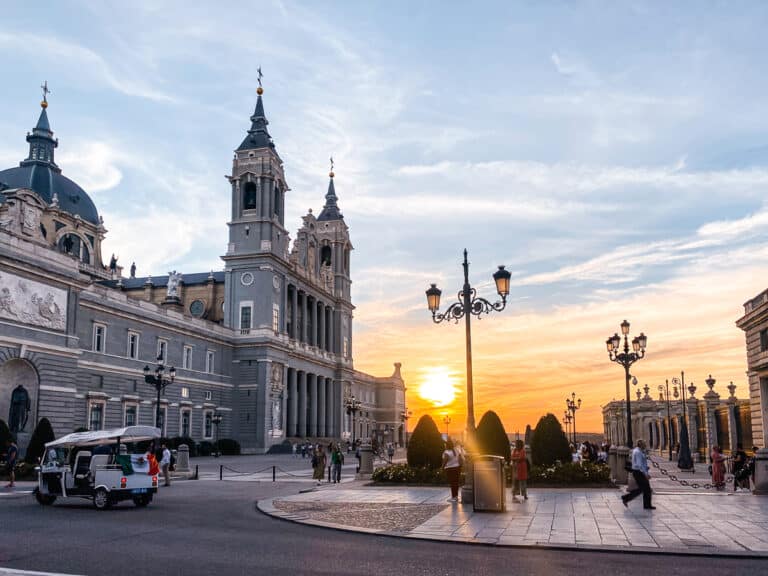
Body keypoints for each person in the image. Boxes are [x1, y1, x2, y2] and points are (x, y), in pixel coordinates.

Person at [621, 439, 655, 510]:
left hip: (637, 472)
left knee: (644, 489)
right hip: (639, 472)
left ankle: (647, 505)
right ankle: (626, 498)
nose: (645, 445)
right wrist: (645, 474)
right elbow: (639, 465)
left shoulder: (637, 451)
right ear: (641, 445)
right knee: (645, 489)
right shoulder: (638, 452)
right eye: (644, 444)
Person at [442, 438, 462, 502]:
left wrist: (442, 468)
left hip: (450, 469)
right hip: (457, 468)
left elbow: (445, 461)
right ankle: (456, 496)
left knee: (452, 483)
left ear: (447, 445)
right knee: (456, 483)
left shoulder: (446, 452)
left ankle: (454, 497)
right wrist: (460, 466)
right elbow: (460, 459)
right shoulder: (456, 450)